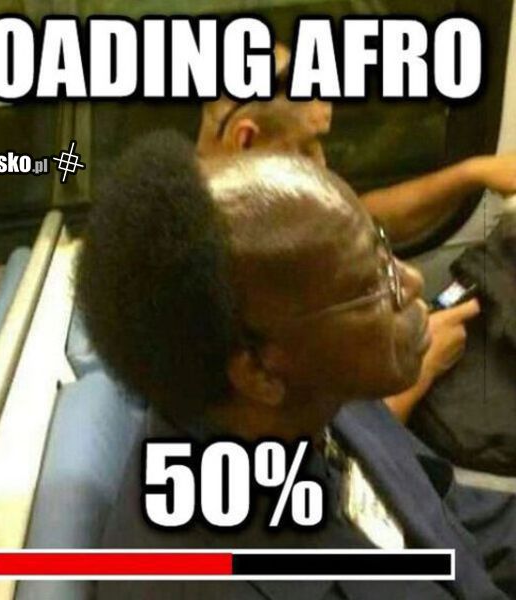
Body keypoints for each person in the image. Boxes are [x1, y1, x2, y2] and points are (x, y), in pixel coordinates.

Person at [77, 131, 516, 599]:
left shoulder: (317, 398)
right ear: (259, 372)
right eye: (370, 286)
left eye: (382, 249)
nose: (409, 281)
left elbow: (450, 520)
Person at [196, 43, 516, 423]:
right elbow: (313, 432)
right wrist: (421, 371)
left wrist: (472, 173)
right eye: (308, 147)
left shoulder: (246, 204)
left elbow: (360, 216)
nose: (321, 162)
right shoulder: (231, 270)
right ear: (246, 139)